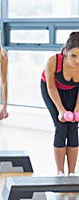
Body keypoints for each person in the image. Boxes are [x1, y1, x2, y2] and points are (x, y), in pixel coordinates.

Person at [41, 31, 79, 176]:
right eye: (73, 56)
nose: (77, 61)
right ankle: (60, 172)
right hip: (51, 90)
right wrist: (61, 110)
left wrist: (76, 110)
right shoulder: (53, 61)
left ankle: (71, 173)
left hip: (73, 92)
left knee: (74, 128)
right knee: (61, 127)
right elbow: (51, 87)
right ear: (65, 52)